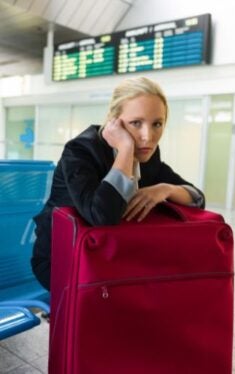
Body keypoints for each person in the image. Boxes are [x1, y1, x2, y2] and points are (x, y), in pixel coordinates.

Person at [31, 77, 205, 290]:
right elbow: (103, 216)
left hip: (110, 254)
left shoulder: (149, 156)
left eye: (157, 124)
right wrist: (125, 149)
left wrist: (165, 189)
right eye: (136, 123)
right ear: (114, 120)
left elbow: (197, 198)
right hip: (63, 258)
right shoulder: (80, 151)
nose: (147, 136)